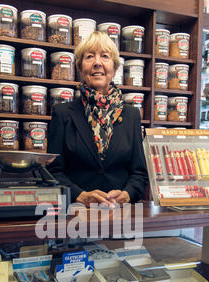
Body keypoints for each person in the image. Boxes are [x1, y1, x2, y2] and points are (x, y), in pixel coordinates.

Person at [47, 31, 148, 207]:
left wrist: (126, 194)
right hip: (76, 216)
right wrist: (80, 195)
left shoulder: (131, 115)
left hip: (121, 215)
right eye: (89, 57)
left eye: (105, 56)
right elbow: (53, 171)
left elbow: (139, 172)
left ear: (115, 68)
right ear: (80, 67)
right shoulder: (62, 113)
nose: (97, 63)